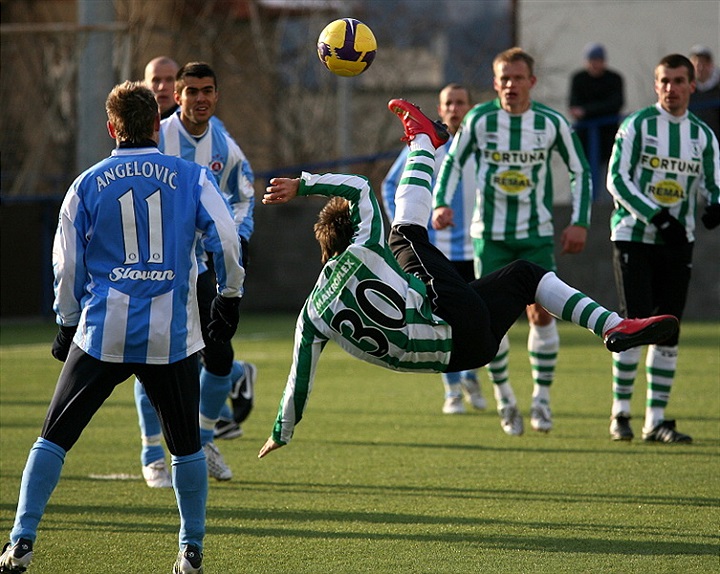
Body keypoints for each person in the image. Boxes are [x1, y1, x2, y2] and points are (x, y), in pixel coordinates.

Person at [256, 98, 679, 460]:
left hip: (466, 353)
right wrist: (303, 184)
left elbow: (299, 378)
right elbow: (362, 188)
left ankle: (614, 329)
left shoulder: (311, 314)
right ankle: (424, 139)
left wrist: (281, 432)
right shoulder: (360, 250)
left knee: (525, 275)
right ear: (350, 236)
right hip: (451, 319)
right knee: (404, 231)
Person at [0, 81, 244, 574]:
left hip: (102, 333)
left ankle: (21, 541)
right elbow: (226, 239)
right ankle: (190, 549)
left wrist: (67, 322)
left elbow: (67, 266)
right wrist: (230, 295)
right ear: (157, 124)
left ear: (112, 127)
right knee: (187, 446)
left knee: (53, 437)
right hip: (169, 336)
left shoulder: (86, 183)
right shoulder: (192, 175)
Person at [433, 47, 593, 436]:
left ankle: (541, 399)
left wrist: (580, 222)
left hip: (535, 235)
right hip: (490, 237)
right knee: (491, 323)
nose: (510, 85)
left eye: (518, 78)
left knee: (541, 314)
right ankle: (506, 399)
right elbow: (453, 161)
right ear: (495, 82)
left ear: (531, 82)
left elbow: (580, 170)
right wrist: (440, 202)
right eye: (503, 78)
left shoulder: (552, 122)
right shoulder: (480, 119)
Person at [134, 61, 257, 488]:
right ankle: (153, 454)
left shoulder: (223, 143)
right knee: (149, 356)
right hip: (153, 267)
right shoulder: (158, 137)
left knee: (219, 355)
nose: (200, 98)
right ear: (178, 98)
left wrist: (235, 234)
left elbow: (244, 193)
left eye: (208, 90)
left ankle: (203, 441)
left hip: (199, 266)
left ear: (216, 95)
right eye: (192, 91)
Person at [606, 53, 720, 443]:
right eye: (664, 81)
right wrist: (657, 217)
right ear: (656, 85)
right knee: (634, 324)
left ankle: (655, 421)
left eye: (679, 81)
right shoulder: (636, 125)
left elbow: (712, 181)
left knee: (669, 329)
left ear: (692, 85)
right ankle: (620, 413)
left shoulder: (703, 136)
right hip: (634, 237)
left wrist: (715, 205)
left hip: (678, 242)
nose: (671, 88)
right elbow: (617, 181)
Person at [381, 83, 485, 415]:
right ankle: (453, 391)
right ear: (440, 110)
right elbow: (390, 184)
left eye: (461, 102)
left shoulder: (482, 144)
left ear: (470, 107)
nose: (455, 108)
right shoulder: (429, 144)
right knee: (444, 322)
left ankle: (470, 376)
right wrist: (407, 224)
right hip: (437, 252)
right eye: (448, 103)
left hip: (479, 245)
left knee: (479, 318)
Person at [568, 42, 625, 200]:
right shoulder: (579, 79)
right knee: (582, 176)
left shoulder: (613, 79)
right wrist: (595, 111)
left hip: (607, 138)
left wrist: (587, 111)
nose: (594, 64)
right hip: (585, 139)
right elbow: (574, 107)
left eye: (598, 60)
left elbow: (616, 104)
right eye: (591, 60)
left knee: (607, 177)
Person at [688, 45, 720, 138]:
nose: (700, 68)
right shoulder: (686, 91)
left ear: (711, 65)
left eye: (704, 63)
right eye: (697, 64)